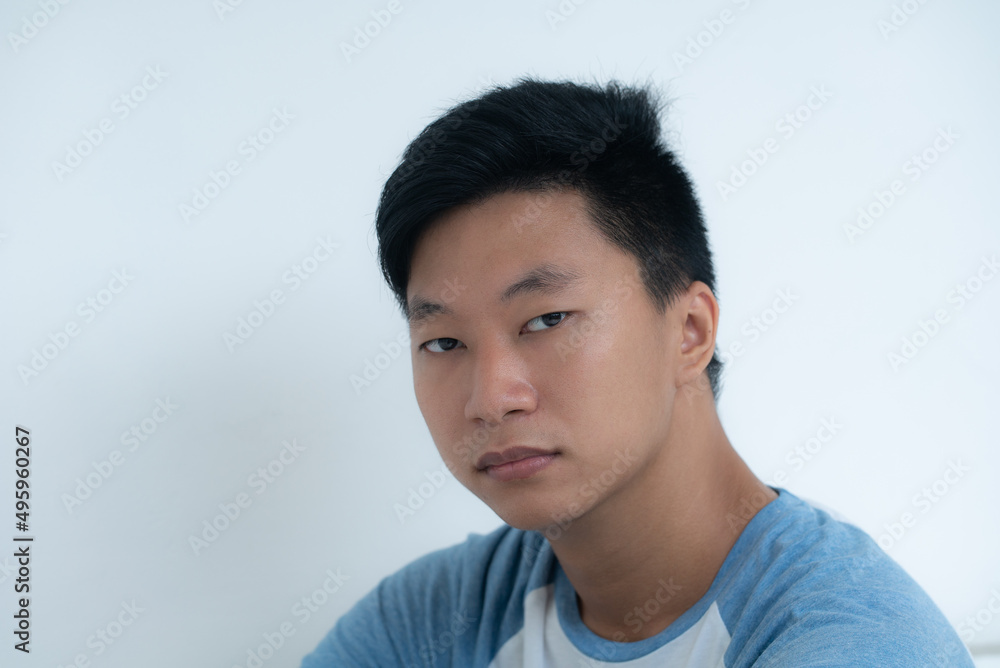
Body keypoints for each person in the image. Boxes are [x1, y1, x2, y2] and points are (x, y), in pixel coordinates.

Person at [302, 78, 973, 667]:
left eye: (547, 320)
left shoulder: (854, 641)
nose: (492, 398)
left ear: (690, 331)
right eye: (444, 342)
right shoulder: (439, 620)